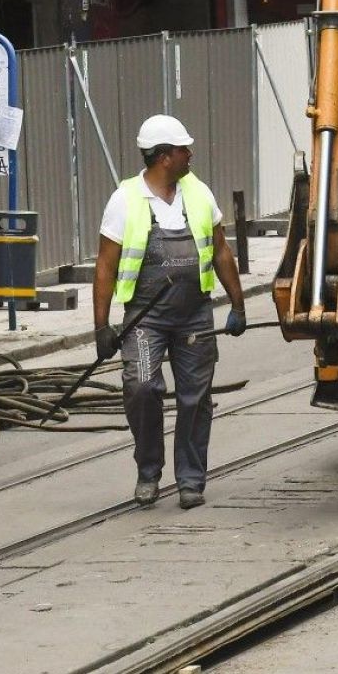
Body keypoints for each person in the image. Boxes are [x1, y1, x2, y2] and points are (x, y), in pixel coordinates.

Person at [92, 115, 246, 509]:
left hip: (195, 317)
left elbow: (222, 249)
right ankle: (149, 469)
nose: (190, 154)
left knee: (196, 398)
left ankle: (191, 480)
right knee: (142, 387)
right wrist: (101, 327)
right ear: (163, 157)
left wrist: (238, 303)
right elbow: (105, 266)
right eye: (182, 149)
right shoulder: (125, 200)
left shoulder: (198, 194)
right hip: (146, 321)